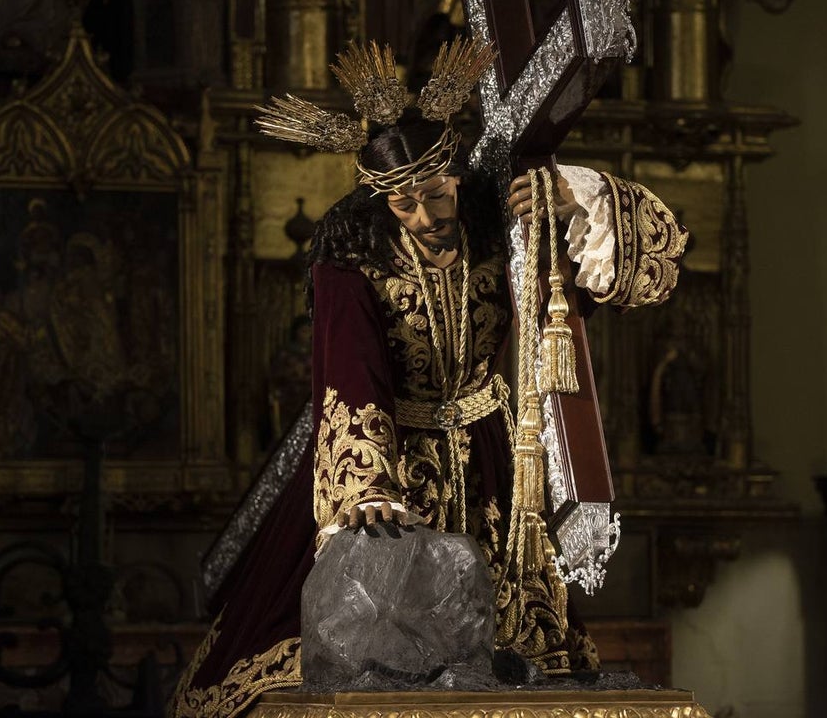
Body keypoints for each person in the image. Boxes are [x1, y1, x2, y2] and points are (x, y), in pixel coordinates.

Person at [167, 40, 687, 718]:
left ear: (457, 175)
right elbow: (349, 375)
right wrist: (367, 487)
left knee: (519, 663)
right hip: (393, 465)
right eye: (403, 204)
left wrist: (572, 199)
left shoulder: (501, 231)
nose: (424, 217)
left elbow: (649, 265)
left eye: (436, 195)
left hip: (496, 467)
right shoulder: (352, 255)